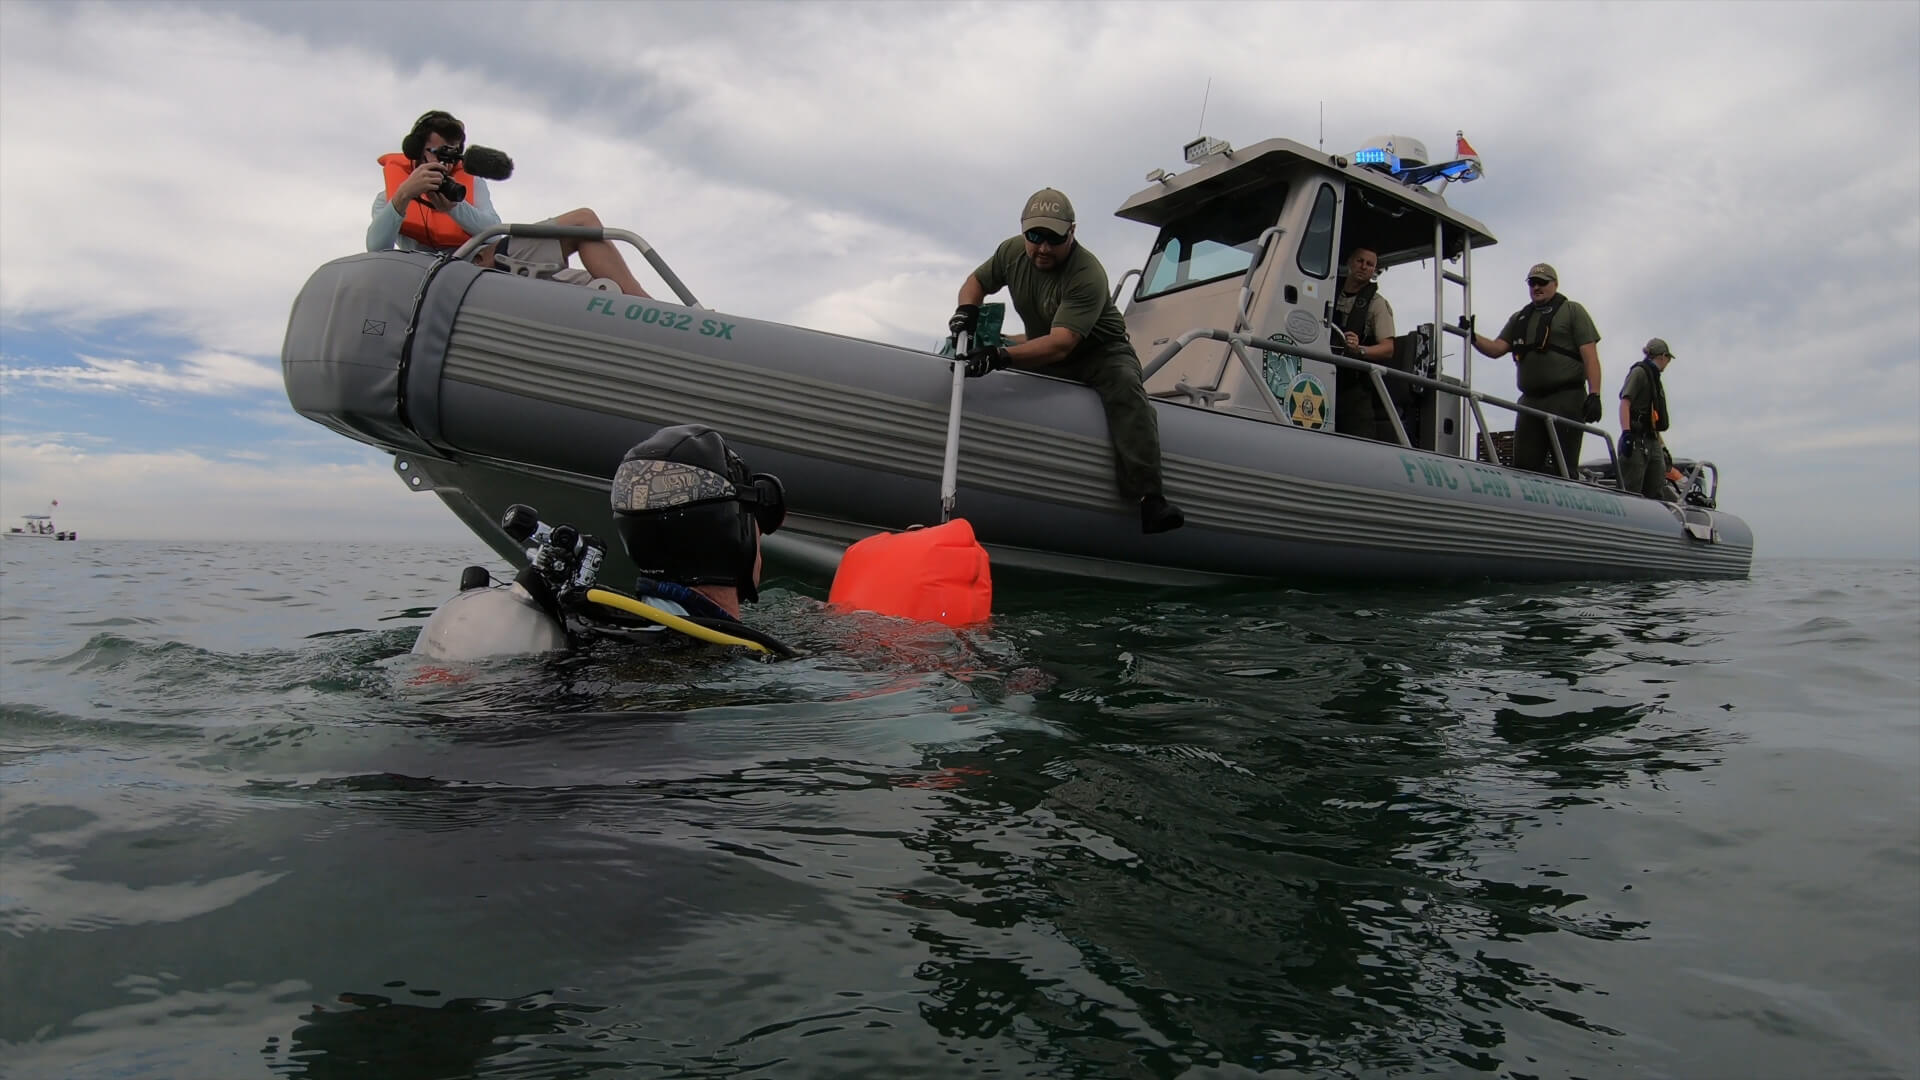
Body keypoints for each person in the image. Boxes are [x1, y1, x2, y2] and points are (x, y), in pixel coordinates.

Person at [949, 188, 1185, 534]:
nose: (1043, 248)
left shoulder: (1087, 273)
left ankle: (1150, 497)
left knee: (1125, 387)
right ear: (1023, 230)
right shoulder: (1010, 252)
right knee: (982, 350)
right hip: (1041, 340)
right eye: (1035, 236)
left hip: (1098, 352)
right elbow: (975, 282)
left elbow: (1061, 345)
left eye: (1054, 238)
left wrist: (1001, 356)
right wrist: (967, 310)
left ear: (1072, 232)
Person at [368, 110, 652, 298]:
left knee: (592, 252)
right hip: (450, 278)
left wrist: (455, 207)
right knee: (583, 223)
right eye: (438, 154)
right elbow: (376, 247)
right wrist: (404, 197)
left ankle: (649, 309)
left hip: (494, 258)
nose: (444, 164)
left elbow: (492, 228)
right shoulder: (390, 197)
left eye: (451, 156)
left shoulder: (469, 186)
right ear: (416, 151)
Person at [1469, 262, 1603, 475]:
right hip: (1530, 402)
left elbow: (1590, 356)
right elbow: (1496, 349)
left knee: (1563, 467)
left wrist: (1595, 394)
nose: (1537, 287)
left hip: (1566, 399)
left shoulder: (1572, 311)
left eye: (1542, 282)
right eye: (1532, 283)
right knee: (1524, 466)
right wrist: (1472, 336)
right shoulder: (1520, 317)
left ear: (1555, 284)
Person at [1330, 245, 1396, 440]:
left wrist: (1360, 350)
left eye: (1369, 264)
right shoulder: (1327, 290)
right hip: (1321, 375)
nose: (1364, 266)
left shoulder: (1378, 304)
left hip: (1353, 387)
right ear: (1350, 262)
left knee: (1358, 438)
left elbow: (1388, 349)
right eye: (1360, 261)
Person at [1617, 337, 1677, 500]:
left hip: (1651, 440)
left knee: (1656, 488)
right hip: (1636, 439)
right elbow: (1625, 402)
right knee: (1630, 490)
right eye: (1668, 359)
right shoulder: (1640, 372)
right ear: (1663, 356)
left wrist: (1662, 447)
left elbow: (1652, 419)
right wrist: (1626, 433)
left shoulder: (1654, 378)